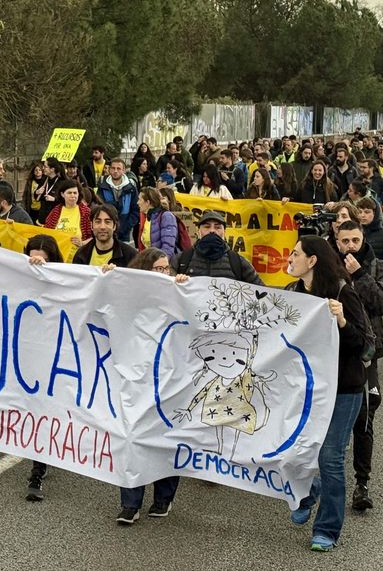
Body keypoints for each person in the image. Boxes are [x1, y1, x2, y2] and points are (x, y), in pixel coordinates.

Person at [285, 236, 371, 552]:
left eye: (295, 253)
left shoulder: (341, 291)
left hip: (343, 389)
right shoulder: (292, 294)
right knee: (295, 449)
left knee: (330, 457)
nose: (290, 257)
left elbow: (361, 342)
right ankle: (309, 491)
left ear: (312, 261)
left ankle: (327, 530)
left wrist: (341, 320)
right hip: (307, 389)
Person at [115, 246, 189, 525]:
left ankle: (163, 498)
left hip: (170, 380)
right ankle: (130, 503)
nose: (162, 274)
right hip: (136, 378)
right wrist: (108, 279)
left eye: (166, 269)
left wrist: (185, 288)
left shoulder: (179, 295)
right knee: (131, 439)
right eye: (156, 269)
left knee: (166, 439)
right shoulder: (130, 298)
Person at [333, 221, 383, 512]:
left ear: (362, 239)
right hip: (331, 351)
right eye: (344, 241)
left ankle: (362, 482)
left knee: (366, 415)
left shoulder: (377, 266)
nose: (350, 246)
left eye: (355, 240)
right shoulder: (328, 266)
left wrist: (358, 274)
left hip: (366, 351)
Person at [22, 234, 66, 501]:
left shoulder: (64, 280)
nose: (37, 259)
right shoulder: (18, 277)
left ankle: (41, 465)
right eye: (32, 254)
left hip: (56, 355)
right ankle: (37, 462)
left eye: (43, 255)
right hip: (26, 354)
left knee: (48, 407)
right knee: (32, 407)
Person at [172, 211, 263, 284]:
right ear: (198, 232)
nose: (212, 231)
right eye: (207, 227)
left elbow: (261, 292)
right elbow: (164, 288)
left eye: (218, 227)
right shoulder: (182, 259)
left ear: (225, 232)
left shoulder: (238, 262)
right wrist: (175, 282)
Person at [71, 204, 138, 270]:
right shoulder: (81, 254)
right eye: (98, 222)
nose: (102, 227)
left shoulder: (130, 255)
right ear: (91, 226)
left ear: (114, 226)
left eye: (107, 222)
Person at [98, 158, 140, 243]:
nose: (115, 171)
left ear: (124, 170)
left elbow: (136, 210)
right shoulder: (103, 186)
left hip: (125, 233)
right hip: (106, 232)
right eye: (113, 168)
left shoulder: (131, 187)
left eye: (118, 168)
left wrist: (127, 226)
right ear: (109, 169)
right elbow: (98, 207)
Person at [353, 198, 383, 270]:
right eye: (360, 212)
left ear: (375, 214)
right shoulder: (352, 232)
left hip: (379, 276)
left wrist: (378, 268)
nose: (362, 215)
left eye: (367, 212)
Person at [44, 179, 92, 249]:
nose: (73, 196)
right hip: (58, 256)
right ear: (62, 194)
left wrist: (82, 243)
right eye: (69, 193)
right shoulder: (55, 211)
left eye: (75, 193)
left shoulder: (86, 212)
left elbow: (94, 236)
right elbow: (46, 233)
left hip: (78, 256)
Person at [135, 187, 179, 257]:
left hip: (161, 264)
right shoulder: (146, 217)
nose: (137, 203)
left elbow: (168, 247)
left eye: (139, 200)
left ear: (147, 202)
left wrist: (159, 265)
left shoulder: (167, 216)